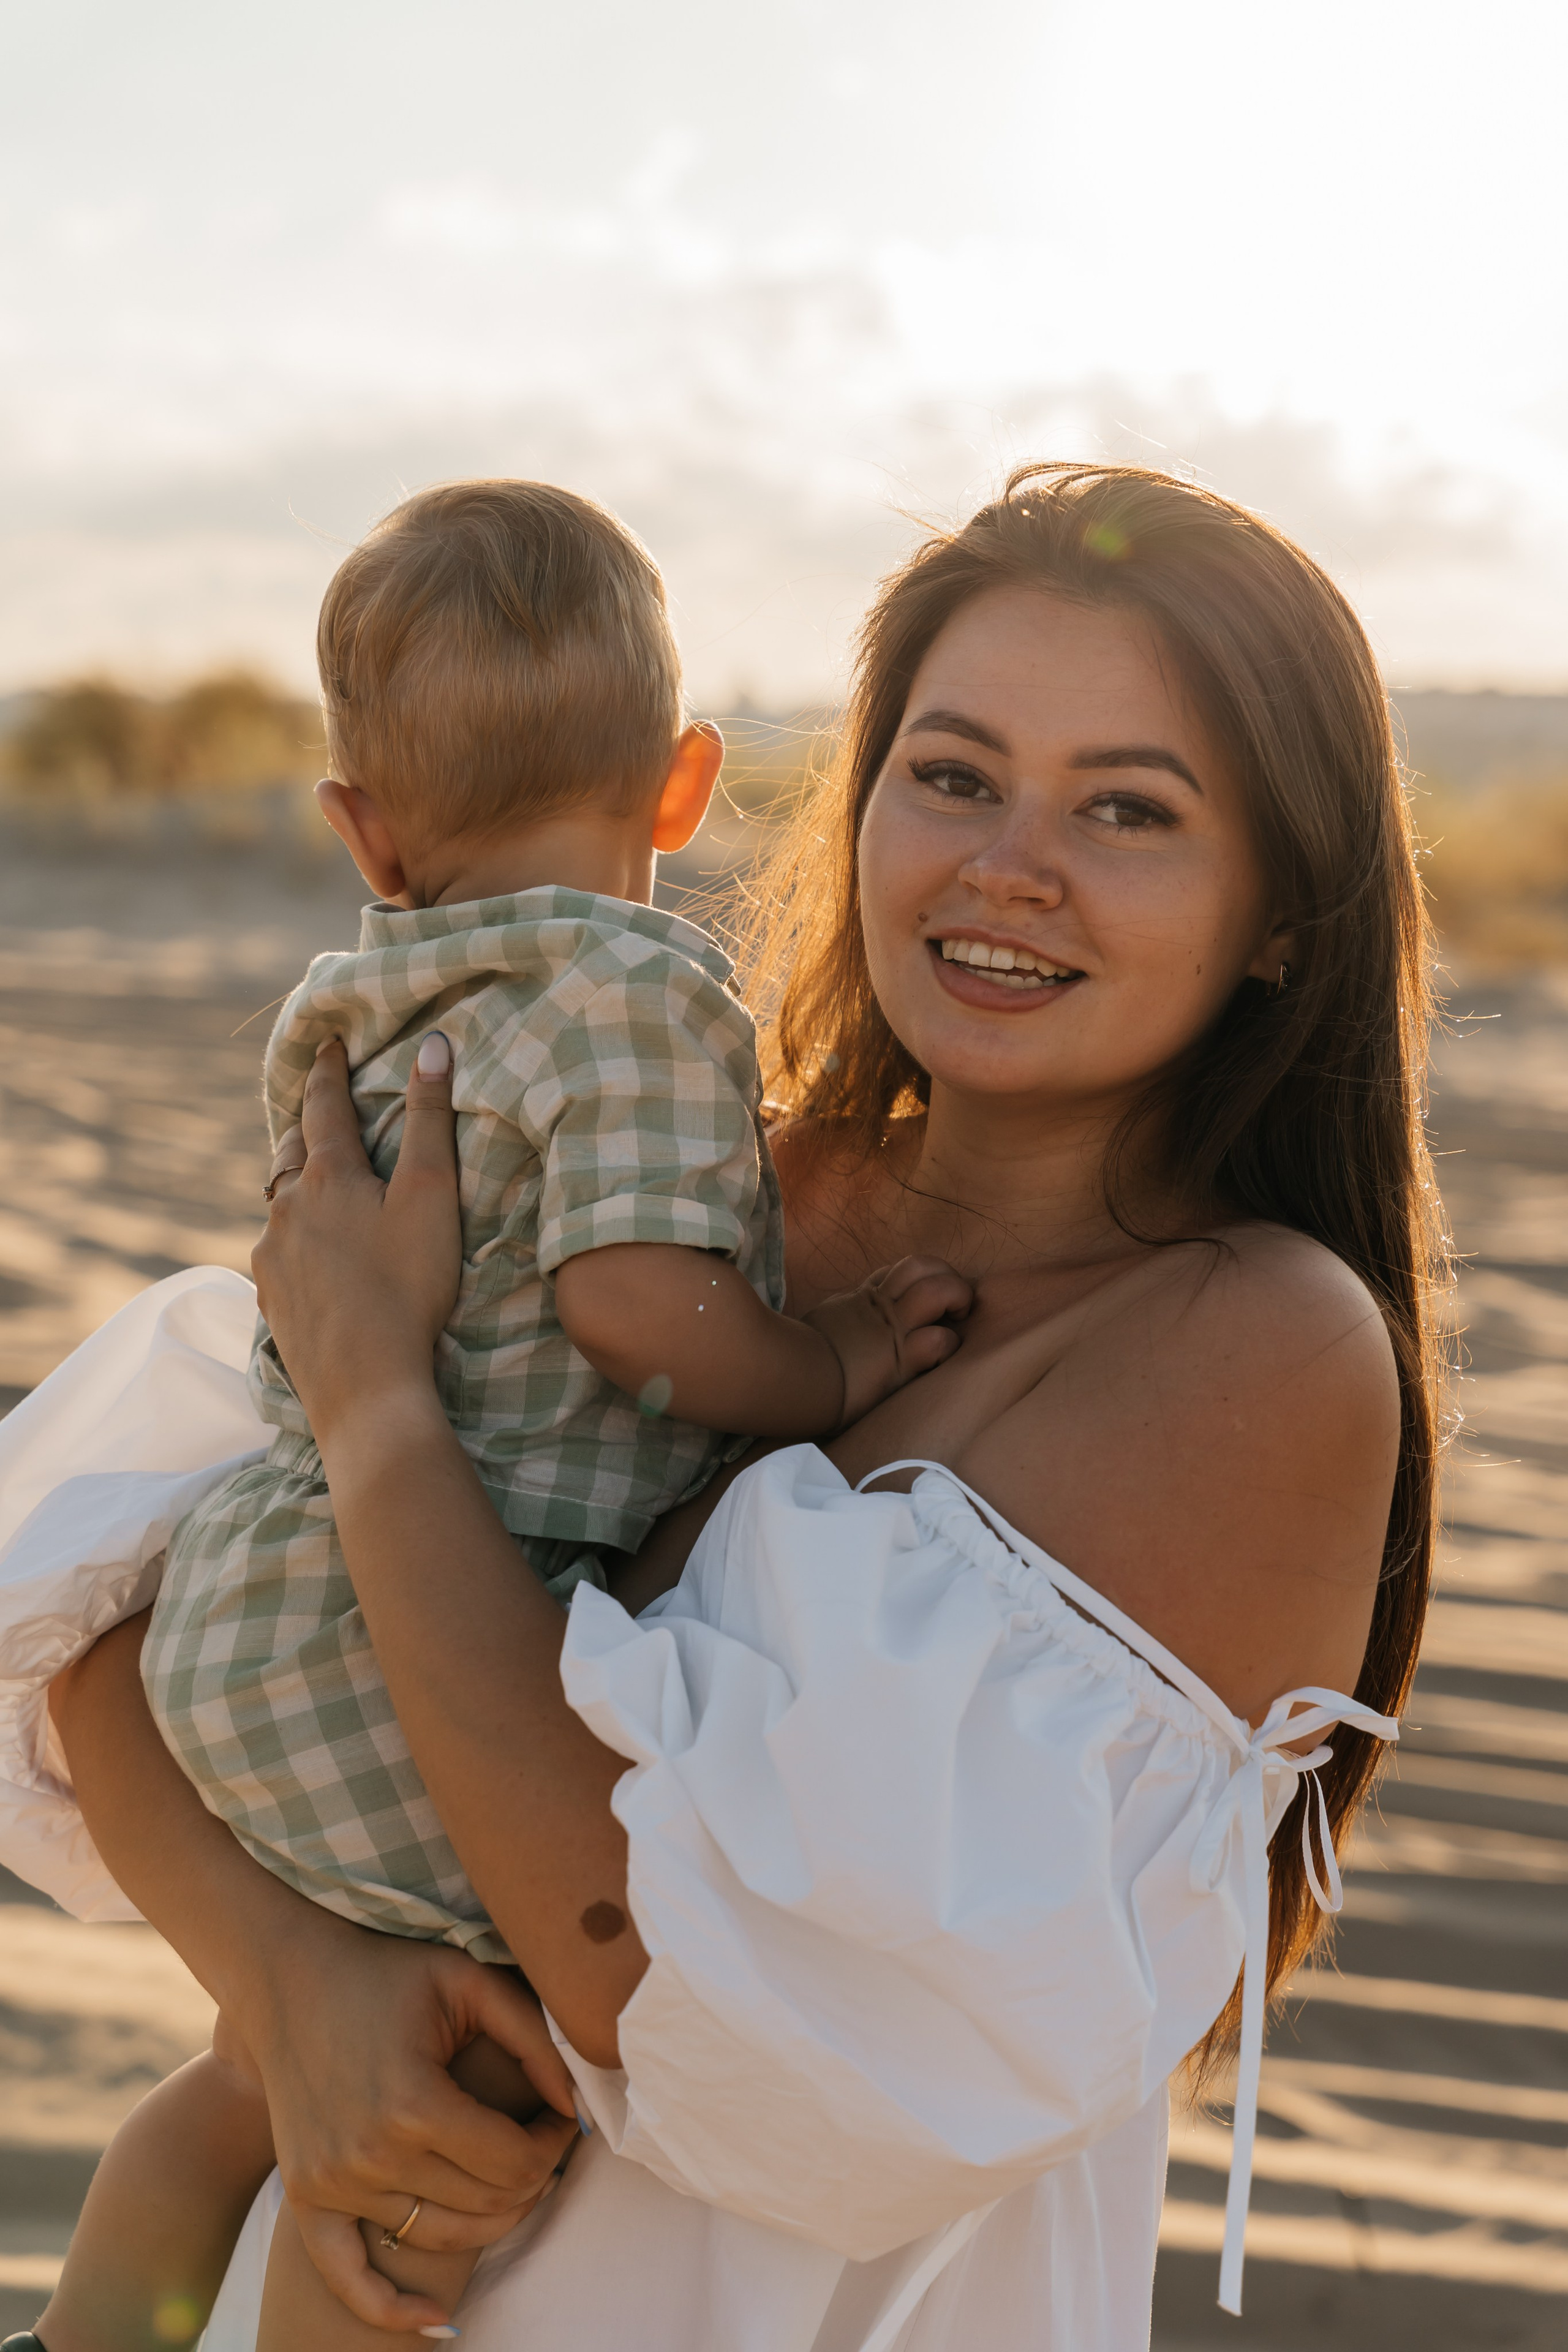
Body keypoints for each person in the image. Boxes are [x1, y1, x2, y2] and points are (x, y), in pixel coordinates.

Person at [7, 462, 1446, 2352]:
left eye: (1128, 808)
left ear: (1283, 912)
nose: (1010, 865)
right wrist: (290, 1988)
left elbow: (665, 1965)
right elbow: (109, 1624)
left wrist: (378, 1413)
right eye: (954, 776)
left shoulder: (1258, 1344)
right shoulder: (681, 1188)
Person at [15, 478, 969, 2352]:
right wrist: (839, 1361)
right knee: (444, 2109)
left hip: (250, 1593)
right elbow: (634, 1310)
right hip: (417, 1640)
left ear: (363, 833)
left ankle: (88, 2330)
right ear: (682, 789)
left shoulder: (352, 1002)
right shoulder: (642, 997)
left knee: (247, 2076)